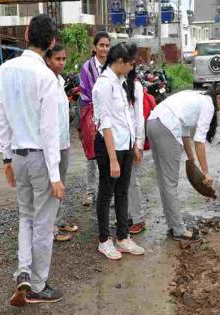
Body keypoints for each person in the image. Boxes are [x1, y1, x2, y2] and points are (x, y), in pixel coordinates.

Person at [0, 14, 64, 306]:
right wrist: (55, 175)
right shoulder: (46, 76)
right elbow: (49, 131)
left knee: (26, 216)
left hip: (19, 158)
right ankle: (37, 285)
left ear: (26, 33)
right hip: (40, 158)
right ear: (50, 43)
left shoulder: (6, 70)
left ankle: (23, 270)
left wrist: (6, 158)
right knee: (44, 222)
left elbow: (3, 118)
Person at [147, 86, 220, 242]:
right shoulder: (208, 104)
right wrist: (206, 173)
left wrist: (190, 159)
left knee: (164, 182)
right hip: (167, 127)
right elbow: (199, 141)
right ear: (219, 98)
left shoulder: (195, 96)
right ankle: (179, 230)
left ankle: (173, 226)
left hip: (153, 123)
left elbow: (185, 133)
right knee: (170, 183)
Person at [92, 43, 145, 260]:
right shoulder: (103, 85)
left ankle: (122, 237)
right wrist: (113, 159)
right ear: (120, 62)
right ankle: (104, 240)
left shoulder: (121, 83)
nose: (132, 68)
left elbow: (127, 118)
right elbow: (105, 123)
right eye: (130, 64)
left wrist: (134, 143)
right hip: (109, 147)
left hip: (125, 145)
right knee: (106, 193)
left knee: (122, 191)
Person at [45, 44, 79, 242]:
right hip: (51, 144)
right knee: (52, 185)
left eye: (64, 59)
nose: (61, 62)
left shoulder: (60, 80)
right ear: (49, 60)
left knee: (61, 184)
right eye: (58, 59)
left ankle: (58, 219)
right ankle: (51, 228)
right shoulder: (46, 81)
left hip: (63, 142)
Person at [79, 31, 110, 207]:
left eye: (107, 45)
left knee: (109, 153)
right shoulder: (87, 68)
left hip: (110, 116)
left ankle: (107, 193)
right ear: (95, 47)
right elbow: (86, 94)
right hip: (90, 114)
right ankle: (90, 192)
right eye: (101, 45)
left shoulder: (113, 65)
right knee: (91, 155)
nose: (104, 49)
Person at [123, 63, 146, 235]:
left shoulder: (135, 85)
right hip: (118, 140)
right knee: (121, 182)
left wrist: (138, 144)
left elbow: (139, 116)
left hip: (131, 140)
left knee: (131, 181)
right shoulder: (114, 83)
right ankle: (129, 216)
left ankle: (138, 218)